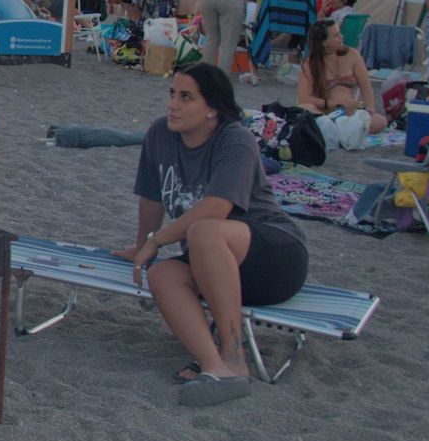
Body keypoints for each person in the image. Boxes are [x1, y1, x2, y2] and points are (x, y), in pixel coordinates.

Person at [113, 63, 308, 407]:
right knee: (163, 274)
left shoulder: (235, 139)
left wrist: (157, 241)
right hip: (213, 263)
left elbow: (217, 207)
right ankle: (214, 366)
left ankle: (234, 358)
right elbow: (152, 198)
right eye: (172, 94)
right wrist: (142, 246)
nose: (173, 104)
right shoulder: (160, 134)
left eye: (186, 97)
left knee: (203, 230)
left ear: (213, 108)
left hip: (273, 257)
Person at [297, 20, 388, 133]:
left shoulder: (352, 54)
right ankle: (340, 130)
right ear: (323, 42)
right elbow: (304, 99)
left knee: (380, 121)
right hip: (324, 113)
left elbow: (365, 86)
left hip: (348, 112)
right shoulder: (310, 64)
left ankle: (334, 131)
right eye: (336, 35)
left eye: (339, 33)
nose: (342, 37)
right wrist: (337, 103)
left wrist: (370, 108)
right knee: (305, 107)